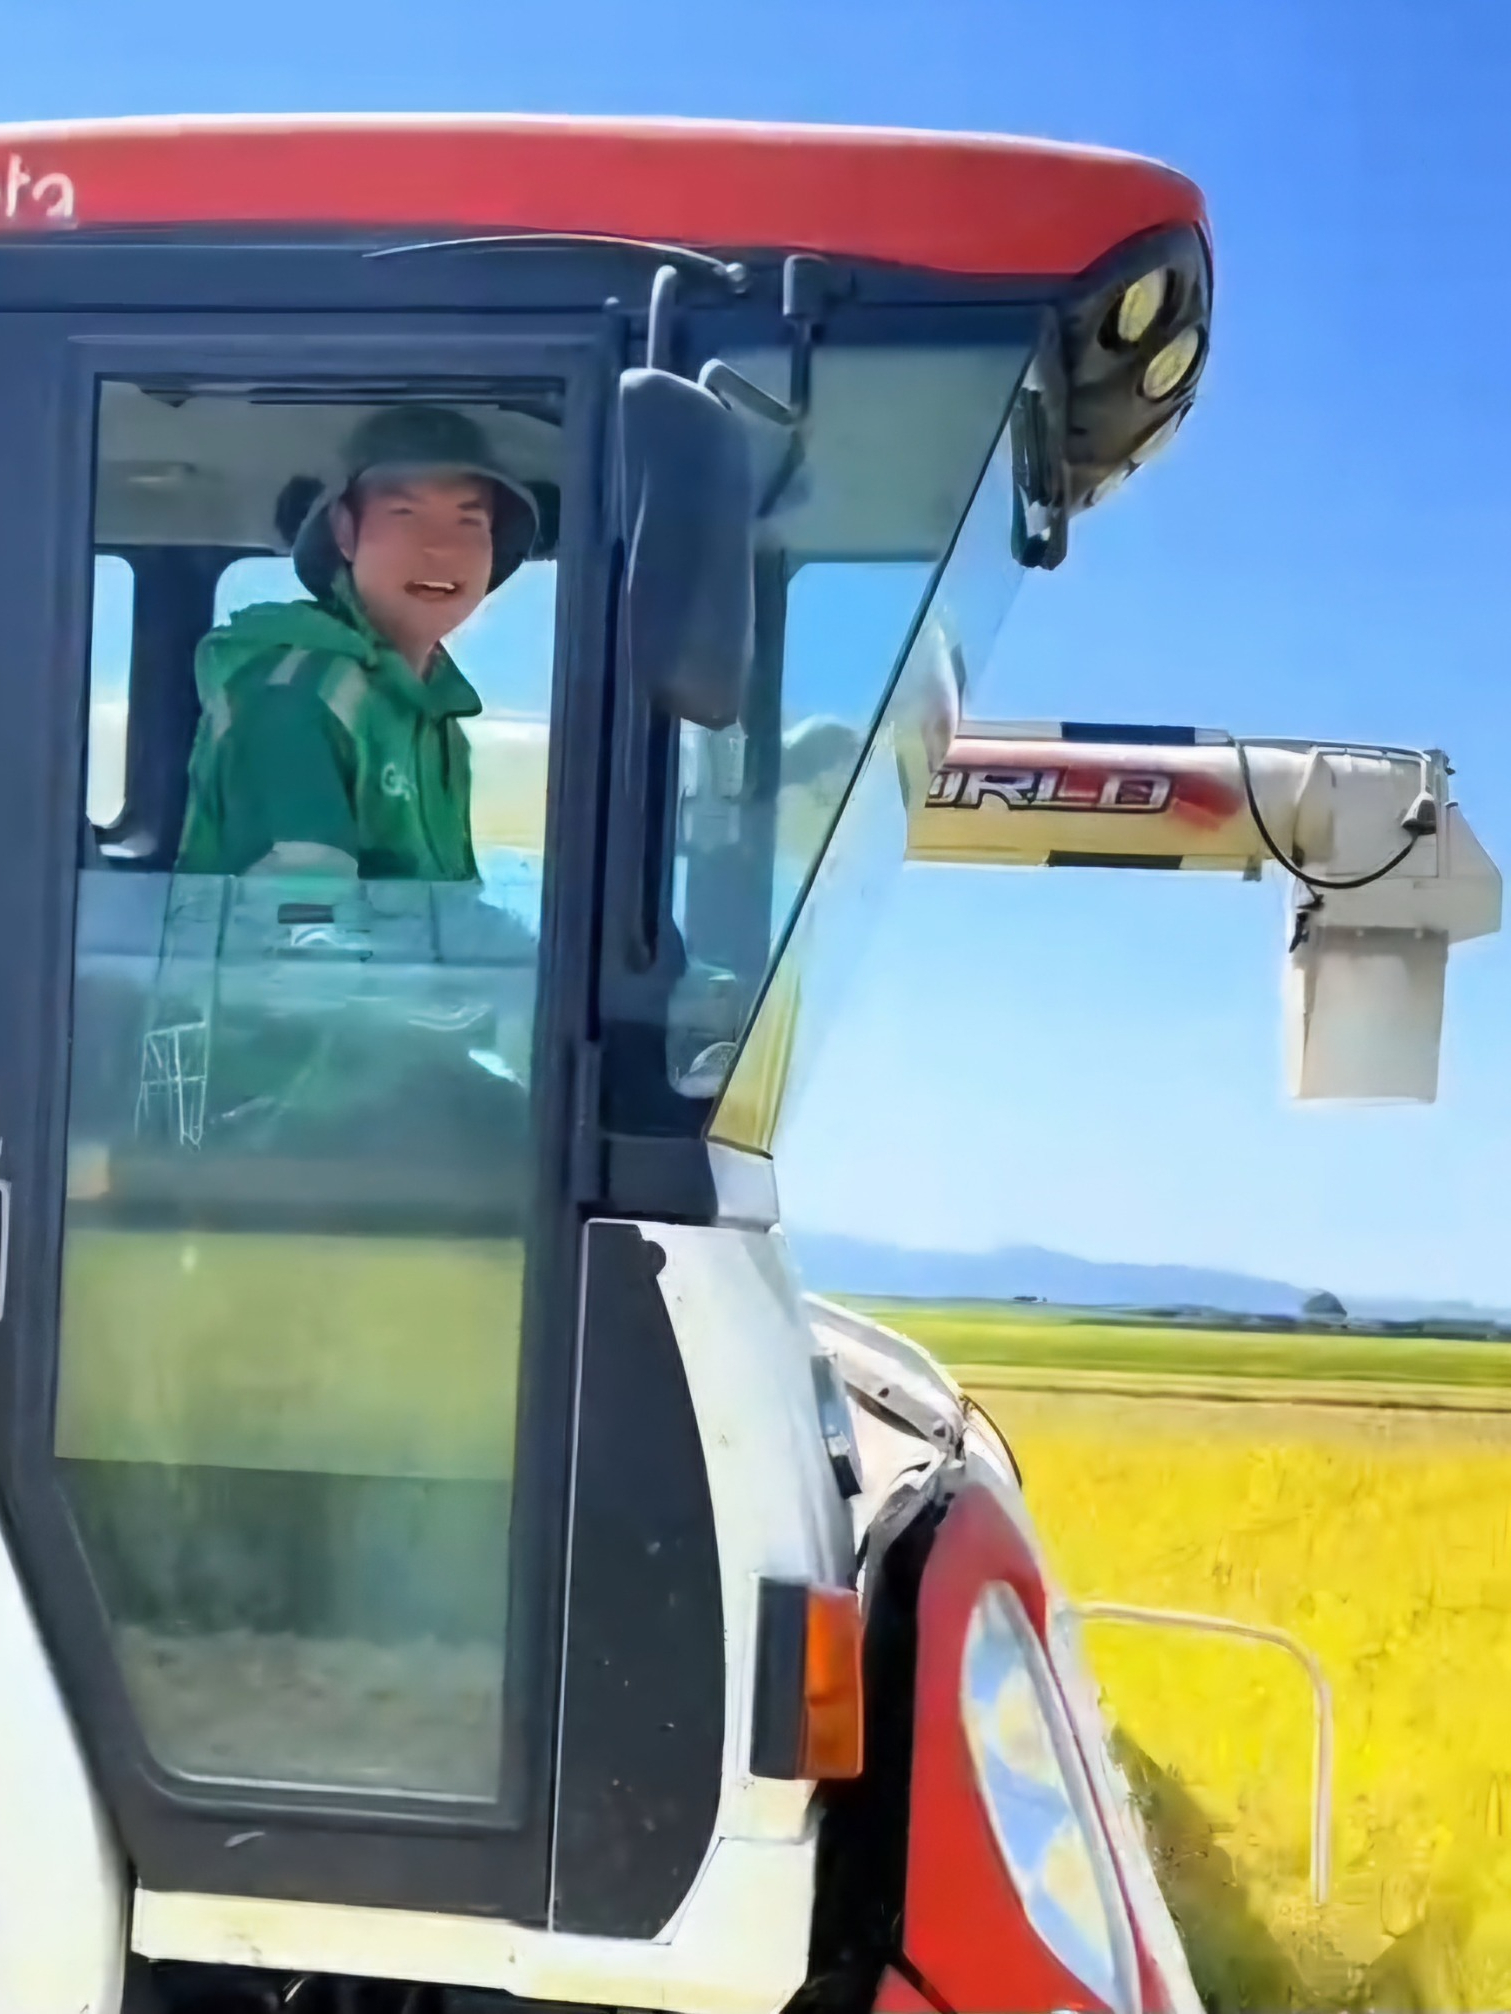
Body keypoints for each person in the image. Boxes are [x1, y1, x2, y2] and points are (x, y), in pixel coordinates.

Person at [177, 406, 541, 880]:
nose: (441, 547)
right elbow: (299, 918)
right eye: (405, 515)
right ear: (346, 533)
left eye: (468, 522)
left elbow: (445, 906)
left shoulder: (433, 713)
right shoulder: (296, 699)